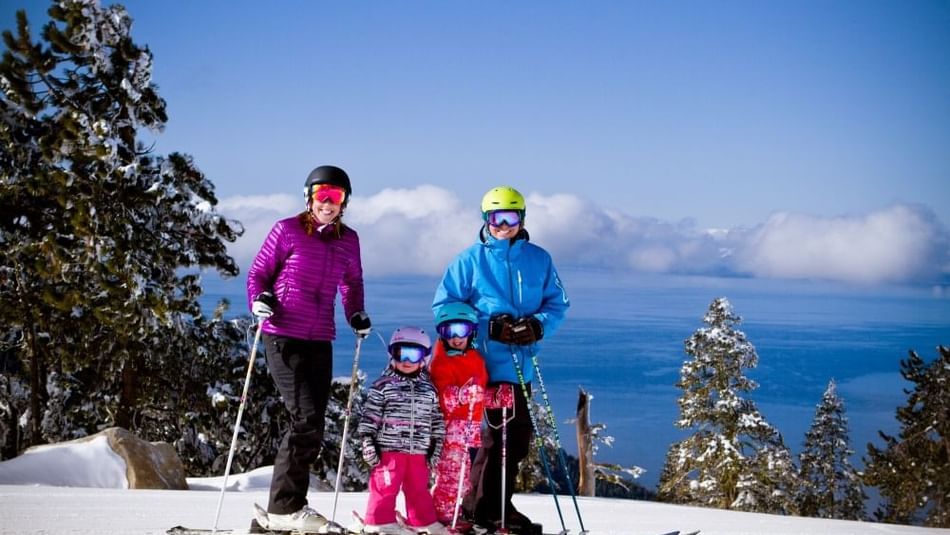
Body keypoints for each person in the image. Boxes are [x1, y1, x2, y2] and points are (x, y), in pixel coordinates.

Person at [432, 186, 570, 534]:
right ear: (485, 220)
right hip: (477, 365)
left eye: (510, 218)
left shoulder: (539, 259)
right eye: (496, 218)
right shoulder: (469, 261)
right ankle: (490, 510)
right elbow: (444, 309)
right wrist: (487, 326)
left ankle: (481, 507)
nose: (503, 226)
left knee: (512, 437)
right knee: (502, 435)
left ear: (522, 219)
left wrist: (537, 326)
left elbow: (557, 304)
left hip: (519, 363)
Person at [246, 165, 373, 532]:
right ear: (309, 197)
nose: (329, 203)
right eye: (323, 195)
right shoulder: (286, 230)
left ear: (345, 201)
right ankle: (285, 508)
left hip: (320, 338)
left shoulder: (349, 240)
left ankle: (281, 512)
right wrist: (259, 301)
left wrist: (356, 313)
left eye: (337, 196)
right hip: (282, 332)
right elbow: (258, 274)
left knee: (313, 423)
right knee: (303, 418)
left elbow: (352, 283)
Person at [357, 327, 448, 535]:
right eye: (400, 353)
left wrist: (436, 444)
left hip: (419, 451)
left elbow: (436, 419)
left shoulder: (429, 390)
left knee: (418, 488)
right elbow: (369, 417)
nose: (406, 360)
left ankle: (421, 521)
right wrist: (368, 441)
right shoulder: (383, 386)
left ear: (424, 358)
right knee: (385, 486)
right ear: (392, 354)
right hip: (389, 450)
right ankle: (378, 520)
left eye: (413, 354)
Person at [428, 303, 489, 528]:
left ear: (471, 331)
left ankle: (453, 514)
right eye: (449, 332)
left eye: (461, 331)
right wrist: (461, 395)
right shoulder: (441, 362)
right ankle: (442, 518)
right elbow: (441, 397)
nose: (455, 338)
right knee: (450, 476)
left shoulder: (475, 359)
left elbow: (478, 393)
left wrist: (493, 397)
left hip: (470, 430)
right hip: (450, 431)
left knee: (463, 479)